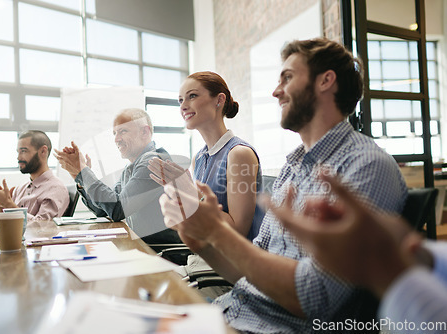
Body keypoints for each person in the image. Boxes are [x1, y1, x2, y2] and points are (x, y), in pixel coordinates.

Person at [159, 38, 408, 333]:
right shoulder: (294, 167)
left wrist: (215, 231)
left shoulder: (366, 166)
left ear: (326, 81)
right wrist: (198, 240)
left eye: (287, 78)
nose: (276, 92)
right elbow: (249, 271)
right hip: (233, 309)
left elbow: (318, 299)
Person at [268, 173, 447, 333]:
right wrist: (422, 257)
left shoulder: (369, 163)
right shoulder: (290, 169)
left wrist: (388, 270)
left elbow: (312, 300)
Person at [148, 71, 263, 282]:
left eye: (192, 96)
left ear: (219, 100)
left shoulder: (239, 154)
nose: (183, 106)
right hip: (201, 260)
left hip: (231, 270)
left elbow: (238, 230)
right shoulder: (199, 158)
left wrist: (187, 191)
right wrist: (182, 193)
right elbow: (199, 213)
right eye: (180, 100)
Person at [55, 108, 180, 244]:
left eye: (123, 131)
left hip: (160, 252)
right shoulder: (130, 168)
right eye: (114, 133)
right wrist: (79, 177)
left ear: (145, 131)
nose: (116, 139)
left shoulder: (153, 162)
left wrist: (83, 171)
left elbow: (117, 210)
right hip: (141, 246)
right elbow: (104, 210)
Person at [0, 130, 69, 220]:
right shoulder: (20, 188)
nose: (18, 157)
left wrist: (7, 204)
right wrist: (2, 204)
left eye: (23, 151)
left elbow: (42, 227)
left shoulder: (56, 189)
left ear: (43, 151)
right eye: (18, 152)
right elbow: (9, 224)